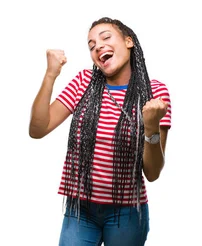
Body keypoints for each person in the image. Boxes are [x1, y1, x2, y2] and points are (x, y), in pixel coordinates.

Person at [28, 17, 172, 245]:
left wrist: (152, 126)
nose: (98, 46)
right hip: (80, 210)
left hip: (127, 213)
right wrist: (50, 75)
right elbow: (37, 129)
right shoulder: (83, 82)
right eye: (92, 45)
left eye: (106, 37)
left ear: (128, 41)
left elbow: (152, 173)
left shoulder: (154, 92)